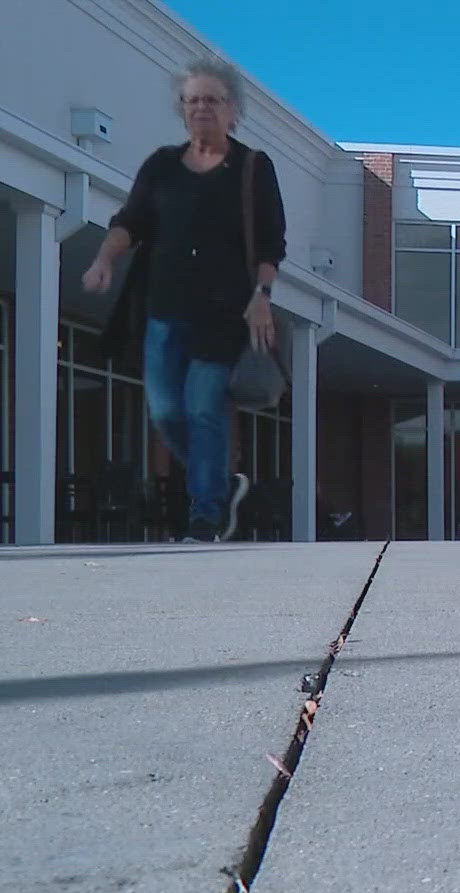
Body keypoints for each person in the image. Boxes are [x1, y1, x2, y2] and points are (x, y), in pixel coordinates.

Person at [85, 58, 285, 543]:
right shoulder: (160, 166)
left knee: (201, 408)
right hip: (163, 311)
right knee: (165, 413)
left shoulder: (252, 168)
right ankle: (219, 484)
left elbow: (270, 244)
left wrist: (262, 295)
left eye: (212, 100)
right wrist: (104, 258)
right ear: (182, 108)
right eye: (192, 100)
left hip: (223, 317)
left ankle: (205, 514)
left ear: (232, 110)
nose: (201, 109)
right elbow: (130, 220)